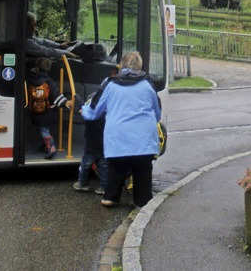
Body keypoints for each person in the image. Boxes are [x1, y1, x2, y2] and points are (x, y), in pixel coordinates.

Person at [81, 51, 161, 208]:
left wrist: (84, 110)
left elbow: (94, 110)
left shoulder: (110, 84)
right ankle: (142, 201)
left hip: (118, 138)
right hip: (143, 139)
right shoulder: (147, 84)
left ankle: (110, 197)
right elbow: (157, 112)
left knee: (116, 168)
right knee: (143, 170)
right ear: (139, 66)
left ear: (121, 65)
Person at [26, 57, 73, 158]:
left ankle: (47, 145)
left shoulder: (31, 79)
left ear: (37, 68)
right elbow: (55, 94)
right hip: (48, 111)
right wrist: (64, 102)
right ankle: (51, 146)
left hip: (35, 111)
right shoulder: (49, 81)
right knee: (45, 129)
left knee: (43, 129)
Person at [74, 113, 108, 195]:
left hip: (91, 145)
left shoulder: (91, 114)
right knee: (103, 166)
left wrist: (84, 111)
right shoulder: (104, 113)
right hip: (102, 144)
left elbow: (87, 113)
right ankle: (105, 186)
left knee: (85, 165)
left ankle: (82, 183)